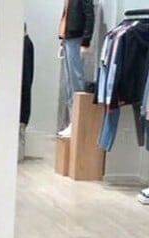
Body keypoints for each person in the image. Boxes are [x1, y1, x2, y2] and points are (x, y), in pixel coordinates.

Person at [58, 0, 94, 137]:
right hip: (68, 37)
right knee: (69, 82)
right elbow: (66, 15)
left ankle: (77, 121)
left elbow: (89, 15)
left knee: (76, 80)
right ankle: (73, 121)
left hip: (75, 37)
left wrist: (86, 41)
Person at [20, 22, 35, 162]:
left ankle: (18, 157)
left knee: (20, 130)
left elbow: (26, 75)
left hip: (22, 98)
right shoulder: (27, 44)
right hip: (23, 97)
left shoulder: (25, 45)